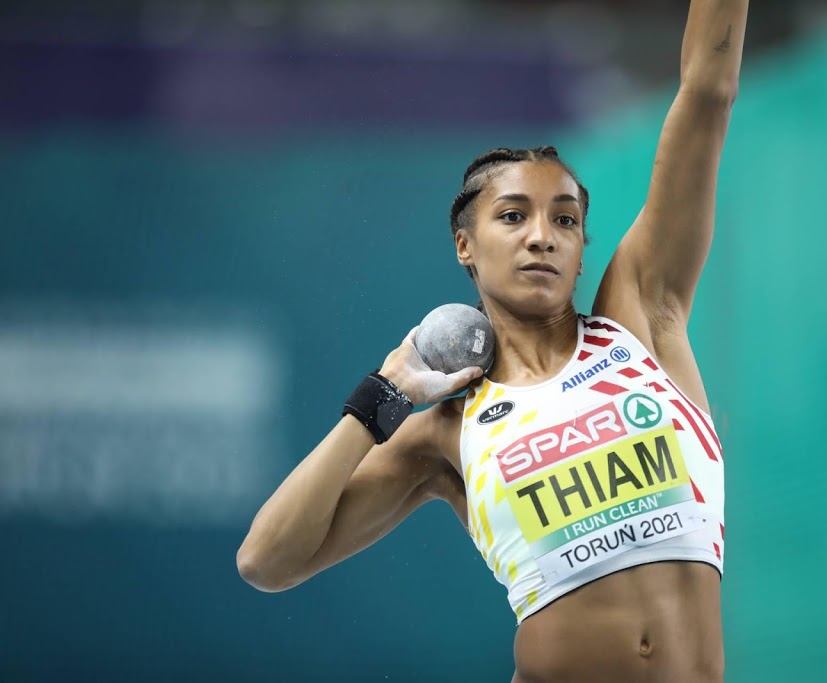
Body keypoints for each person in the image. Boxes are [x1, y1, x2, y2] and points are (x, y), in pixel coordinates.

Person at [237, 1, 747, 680]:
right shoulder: (447, 432)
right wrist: (382, 398)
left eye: (565, 220)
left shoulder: (642, 320)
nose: (542, 235)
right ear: (465, 245)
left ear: (580, 245)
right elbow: (267, 561)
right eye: (513, 216)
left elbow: (707, 91)